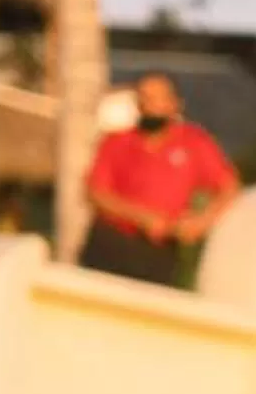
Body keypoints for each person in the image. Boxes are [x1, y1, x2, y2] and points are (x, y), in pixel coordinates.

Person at [82, 72, 239, 284]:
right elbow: (97, 193)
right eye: (144, 98)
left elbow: (228, 187)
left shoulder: (194, 143)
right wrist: (142, 217)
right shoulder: (116, 142)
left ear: (175, 103)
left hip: (159, 251)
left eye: (158, 99)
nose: (150, 105)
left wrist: (201, 222)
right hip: (112, 243)